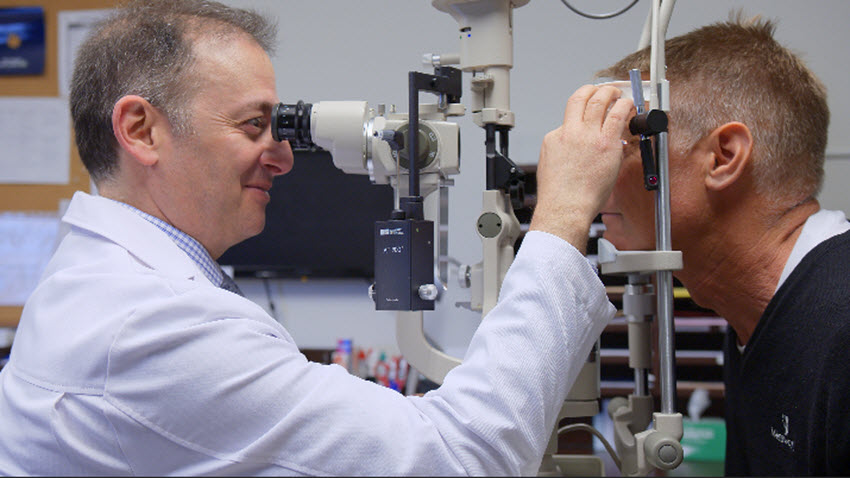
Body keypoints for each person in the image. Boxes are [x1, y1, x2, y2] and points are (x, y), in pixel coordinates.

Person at [0, 0, 634, 475]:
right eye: (252, 126)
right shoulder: (153, 324)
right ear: (141, 130)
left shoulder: (94, 281)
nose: (282, 158)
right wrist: (562, 214)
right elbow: (461, 459)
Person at [595, 13, 850, 476]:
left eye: (627, 140)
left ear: (723, 157)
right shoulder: (762, 318)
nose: (598, 172)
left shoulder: (840, 329)